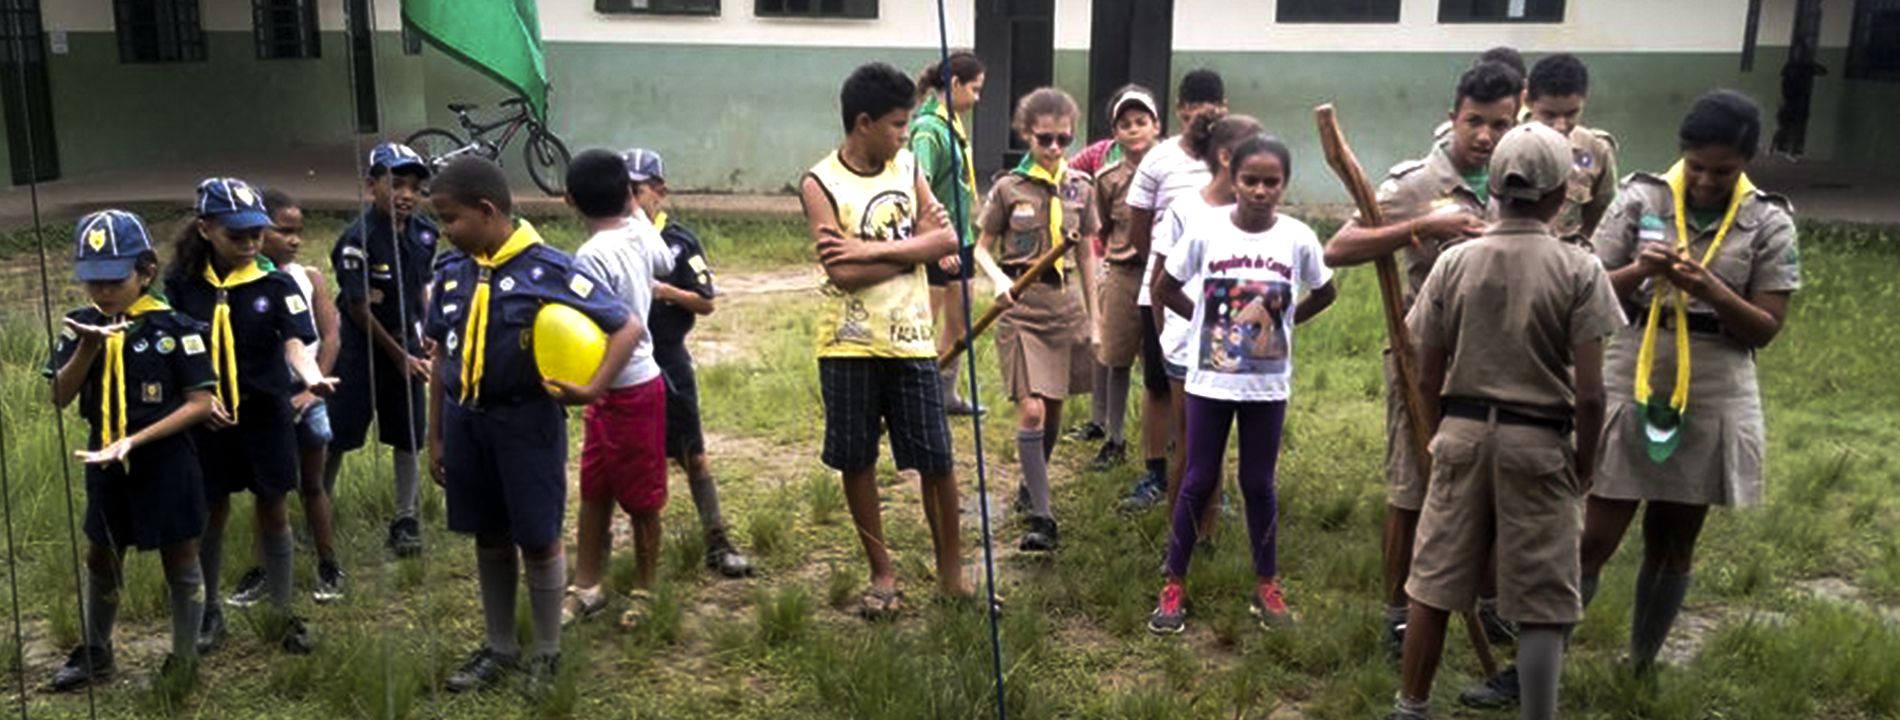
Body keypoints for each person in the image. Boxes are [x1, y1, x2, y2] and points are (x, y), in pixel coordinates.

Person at [1389, 122, 1622, 720]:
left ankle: (1411, 706)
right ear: (1560, 195)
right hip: (1540, 440)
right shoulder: (1579, 269)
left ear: (1492, 189)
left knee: (1434, 582)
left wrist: (1437, 432)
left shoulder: (1454, 262)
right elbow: (1591, 392)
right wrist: (1585, 465)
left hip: (1461, 433)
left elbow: (1425, 370)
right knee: (1544, 597)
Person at [1325, 60, 1521, 660]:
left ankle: (1490, 606)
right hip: (1419, 358)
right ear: (1453, 116)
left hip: (1499, 360)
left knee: (1489, 490)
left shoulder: (1522, 181)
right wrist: (1422, 225)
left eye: (1500, 124)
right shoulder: (1416, 182)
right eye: (1474, 123)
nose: (1485, 137)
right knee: (1411, 491)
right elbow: (1339, 246)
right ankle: (1396, 614)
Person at [425, 156, 639, 694]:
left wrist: (592, 390)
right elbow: (438, 357)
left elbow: (627, 326)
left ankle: (547, 651)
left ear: (488, 210)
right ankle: (499, 646)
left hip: (525, 423)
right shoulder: (451, 273)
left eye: (450, 219)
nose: (444, 231)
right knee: (488, 531)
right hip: (465, 420)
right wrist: (435, 434)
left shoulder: (549, 270)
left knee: (538, 537)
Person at [1147, 134, 1337, 634]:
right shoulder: (1207, 232)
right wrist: (1208, 322)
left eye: (1271, 182)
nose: (1259, 190)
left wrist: (1287, 324)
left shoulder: (1297, 237)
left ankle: (1267, 585)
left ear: (1285, 185)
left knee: (1259, 483)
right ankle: (1173, 584)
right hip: (1210, 382)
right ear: (1233, 180)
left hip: (1266, 388)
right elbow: (1165, 286)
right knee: (1197, 478)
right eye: (1250, 180)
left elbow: (1326, 290)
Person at [798, 61, 969, 617]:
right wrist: (913, 251)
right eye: (897, 124)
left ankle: (952, 575)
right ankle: (883, 573)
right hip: (848, 345)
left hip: (912, 340)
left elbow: (943, 237)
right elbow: (840, 274)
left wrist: (871, 251)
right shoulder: (819, 183)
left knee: (936, 459)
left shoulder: (911, 166)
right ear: (864, 122)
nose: (904, 134)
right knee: (858, 460)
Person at [44, 210, 218, 691]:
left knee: (179, 555)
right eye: (92, 282)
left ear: (146, 271)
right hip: (103, 459)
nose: (102, 293)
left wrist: (136, 440)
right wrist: (87, 349)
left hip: (165, 460)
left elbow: (202, 403)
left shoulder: (174, 327)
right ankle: (96, 651)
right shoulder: (79, 326)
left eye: (114, 281)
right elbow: (59, 396)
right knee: (102, 553)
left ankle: (183, 658)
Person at [166, 178, 333, 655]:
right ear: (204, 229)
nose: (250, 245)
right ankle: (208, 613)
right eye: (237, 236)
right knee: (210, 513)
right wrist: (195, 398)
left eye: (256, 234)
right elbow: (175, 351)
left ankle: (282, 614)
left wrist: (310, 377)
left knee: (274, 508)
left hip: (264, 413)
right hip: (207, 417)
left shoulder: (276, 283)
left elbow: (295, 342)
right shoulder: (182, 286)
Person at [974, 87, 1097, 553]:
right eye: (1044, 138)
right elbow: (981, 248)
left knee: (1054, 415)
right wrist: (996, 282)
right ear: (1026, 134)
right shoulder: (1008, 188)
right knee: (1032, 410)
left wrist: (1096, 318)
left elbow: (1087, 254)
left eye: (1063, 139)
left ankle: (1032, 485)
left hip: (1064, 311)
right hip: (1020, 309)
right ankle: (1043, 519)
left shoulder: (1080, 188)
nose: (1053, 148)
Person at [624, 148, 754, 578]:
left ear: (659, 191)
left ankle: (717, 540)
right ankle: (627, 556)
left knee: (692, 455)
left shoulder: (678, 241)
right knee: (626, 461)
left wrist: (664, 291)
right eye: (622, 189)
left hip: (668, 361)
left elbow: (707, 301)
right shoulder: (614, 241)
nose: (629, 198)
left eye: (636, 189)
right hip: (624, 366)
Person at [560, 149, 673, 628]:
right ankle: (587, 585)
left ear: (569, 201)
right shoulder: (638, 231)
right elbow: (665, 263)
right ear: (629, 194)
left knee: (642, 496)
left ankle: (646, 589)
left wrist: (592, 386)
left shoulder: (587, 259)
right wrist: (640, 216)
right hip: (622, 388)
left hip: (623, 388)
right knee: (595, 486)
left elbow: (605, 328)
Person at [227, 189, 347, 608]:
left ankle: (329, 564)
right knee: (268, 491)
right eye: (283, 230)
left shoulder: (309, 277)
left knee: (312, 484)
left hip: (308, 394)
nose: (293, 240)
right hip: (266, 401)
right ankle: (264, 571)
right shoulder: (237, 284)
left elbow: (330, 337)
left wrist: (315, 390)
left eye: (298, 231)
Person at [1120, 68, 1227, 512]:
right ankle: (1155, 474)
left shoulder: (1229, 156)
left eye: (1213, 103)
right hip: (1162, 291)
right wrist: (1168, 269)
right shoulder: (1159, 159)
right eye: (1195, 103)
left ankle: (1208, 484)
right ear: (1180, 108)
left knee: (1213, 390)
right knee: (1160, 384)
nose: (1204, 111)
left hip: (1220, 294)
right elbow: (1141, 229)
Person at [327, 142, 437, 556]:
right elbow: (357, 308)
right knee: (341, 431)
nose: (406, 194)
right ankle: (318, 505)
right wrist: (400, 357)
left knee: (409, 432)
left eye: (414, 186)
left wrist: (427, 334)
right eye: (396, 184)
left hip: (406, 344)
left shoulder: (425, 233)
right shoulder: (357, 240)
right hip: (363, 350)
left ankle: (405, 518)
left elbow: (421, 287)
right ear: (372, 185)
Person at [1070, 85, 1162, 470]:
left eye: (1142, 122)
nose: (1134, 130)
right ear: (1115, 133)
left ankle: (1170, 440)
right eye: (1125, 125)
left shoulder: (1170, 174)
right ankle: (1115, 438)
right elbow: (1102, 227)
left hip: (1162, 275)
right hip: (1124, 274)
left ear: (1156, 126)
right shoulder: (1107, 178)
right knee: (1117, 356)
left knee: (1164, 361)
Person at [911, 50, 987, 417]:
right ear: (954, 84)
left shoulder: (952, 123)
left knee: (961, 323)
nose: (977, 98)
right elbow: (916, 188)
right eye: (974, 89)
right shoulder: (928, 129)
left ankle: (946, 394)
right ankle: (916, 397)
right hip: (938, 242)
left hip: (962, 239)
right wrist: (937, 242)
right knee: (925, 325)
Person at [1525, 53, 1618, 247]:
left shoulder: (1595, 149)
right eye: (1549, 114)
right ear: (1527, 101)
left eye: (1571, 113)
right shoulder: (1507, 148)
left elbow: (1600, 213)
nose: (1560, 125)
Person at [1772, 43, 1827, 160]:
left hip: (1800, 100)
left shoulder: (1807, 66)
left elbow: (1823, 71)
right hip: (1788, 98)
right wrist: (1781, 98)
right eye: (1797, 52)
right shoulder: (1789, 66)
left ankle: (1791, 152)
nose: (1799, 54)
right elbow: (1782, 82)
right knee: (1782, 126)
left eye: (1802, 52)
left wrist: (1811, 62)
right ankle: (1773, 146)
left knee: (1796, 126)